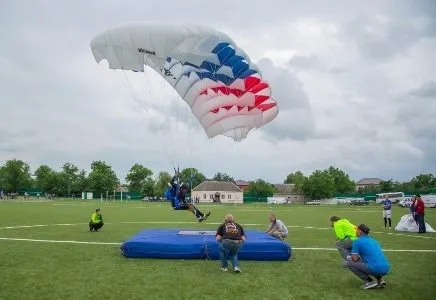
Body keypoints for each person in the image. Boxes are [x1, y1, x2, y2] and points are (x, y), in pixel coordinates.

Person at [345, 224, 390, 289]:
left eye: (357, 230)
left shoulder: (357, 241)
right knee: (372, 261)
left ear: (360, 232)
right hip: (386, 267)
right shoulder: (374, 241)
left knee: (349, 263)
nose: (355, 231)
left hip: (375, 268)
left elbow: (354, 259)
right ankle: (380, 280)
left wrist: (349, 256)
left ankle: (370, 281)